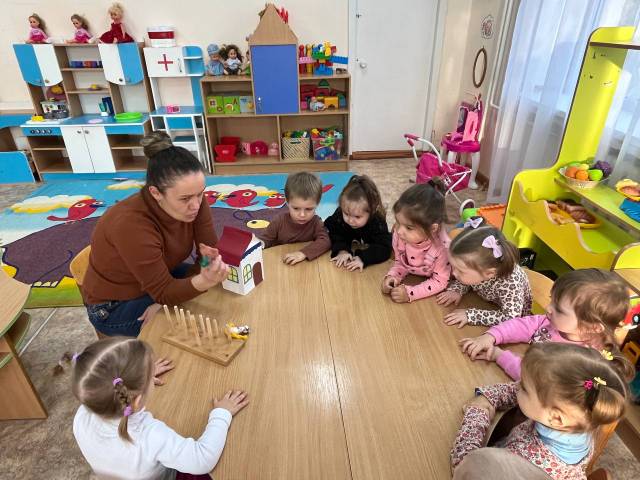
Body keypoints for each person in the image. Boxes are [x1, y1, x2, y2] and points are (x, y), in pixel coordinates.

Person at [81, 132, 229, 337]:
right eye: (185, 198)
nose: (196, 205)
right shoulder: (130, 224)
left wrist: (201, 273)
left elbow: (208, 254)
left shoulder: (194, 201)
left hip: (159, 278)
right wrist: (191, 286)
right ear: (156, 193)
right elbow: (164, 291)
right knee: (194, 326)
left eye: (200, 193)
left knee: (217, 293)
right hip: (114, 306)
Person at [72, 337, 249, 480]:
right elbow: (202, 460)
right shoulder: (149, 435)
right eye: (149, 376)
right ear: (137, 400)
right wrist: (222, 414)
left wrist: (138, 379)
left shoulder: (83, 414)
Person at [451, 342, 633, 479]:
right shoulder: (580, 414)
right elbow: (518, 390)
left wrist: (477, 411)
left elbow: (465, 465)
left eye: (524, 388)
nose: (517, 387)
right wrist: (490, 396)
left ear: (556, 418)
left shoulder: (524, 455)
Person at [459, 269, 630, 380]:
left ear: (593, 327)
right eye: (551, 300)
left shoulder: (583, 359)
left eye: (559, 309)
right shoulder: (552, 321)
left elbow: (535, 379)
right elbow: (521, 325)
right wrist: (491, 336)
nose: (548, 308)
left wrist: (499, 356)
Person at [437, 220, 532, 327]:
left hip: (517, 324)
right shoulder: (481, 267)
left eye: (460, 271)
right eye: (454, 266)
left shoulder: (511, 283)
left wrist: (471, 315)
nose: (454, 273)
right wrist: (457, 289)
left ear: (490, 273)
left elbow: (511, 318)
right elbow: (471, 277)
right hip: (486, 303)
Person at [381, 180, 450, 302]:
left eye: (409, 228)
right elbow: (400, 263)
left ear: (432, 229)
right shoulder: (401, 235)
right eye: (398, 222)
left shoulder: (441, 249)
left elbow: (440, 281)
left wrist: (411, 293)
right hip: (414, 278)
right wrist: (392, 276)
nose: (399, 231)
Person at [259, 171, 331, 265]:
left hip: (307, 266)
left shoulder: (316, 222)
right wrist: (260, 243)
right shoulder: (279, 221)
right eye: (296, 208)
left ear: (317, 204)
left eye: (309, 209)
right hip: (281, 262)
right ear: (287, 202)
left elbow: (326, 241)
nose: (302, 215)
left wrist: (303, 253)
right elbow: (265, 240)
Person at [324, 175, 392, 272]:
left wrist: (363, 258)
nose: (350, 221)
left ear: (372, 211)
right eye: (346, 214)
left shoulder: (377, 222)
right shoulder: (340, 214)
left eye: (357, 217)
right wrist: (342, 250)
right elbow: (333, 231)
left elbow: (384, 248)